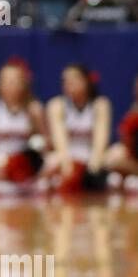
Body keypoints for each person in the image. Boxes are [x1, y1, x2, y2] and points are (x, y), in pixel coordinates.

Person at [0, 60, 48, 191]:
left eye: (15, 80)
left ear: (24, 83)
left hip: (26, 162)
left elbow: (47, 142)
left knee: (54, 161)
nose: (11, 85)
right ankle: (18, 186)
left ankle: (15, 185)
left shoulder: (34, 109)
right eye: (6, 80)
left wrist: (37, 145)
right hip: (0, 162)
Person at [43, 65, 110, 193]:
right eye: (65, 81)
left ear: (86, 82)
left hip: (92, 158)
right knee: (51, 162)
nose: (68, 84)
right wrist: (68, 169)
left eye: (73, 80)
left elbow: (101, 142)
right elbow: (60, 143)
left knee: (113, 158)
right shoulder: (56, 105)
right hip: (67, 158)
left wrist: (92, 171)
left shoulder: (100, 104)